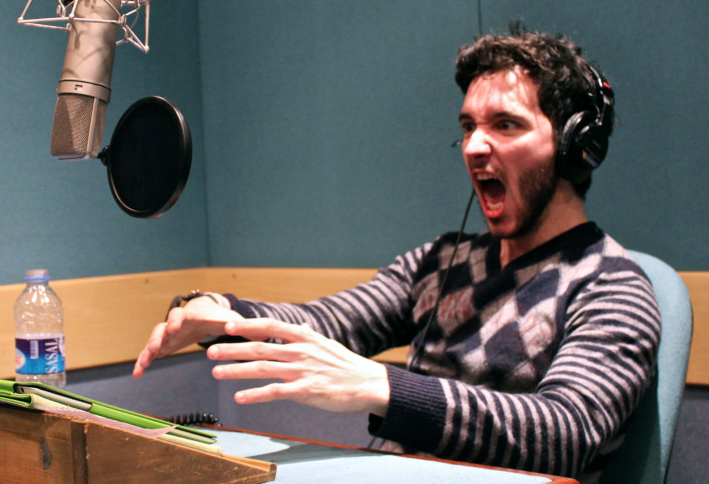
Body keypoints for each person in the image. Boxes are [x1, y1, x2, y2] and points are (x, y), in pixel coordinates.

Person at [133, 29, 661, 483]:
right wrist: (224, 314)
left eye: (505, 124)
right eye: (468, 127)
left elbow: (564, 432)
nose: (474, 146)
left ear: (574, 148)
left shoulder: (613, 287)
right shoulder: (441, 262)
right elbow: (330, 323)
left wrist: (383, 388)